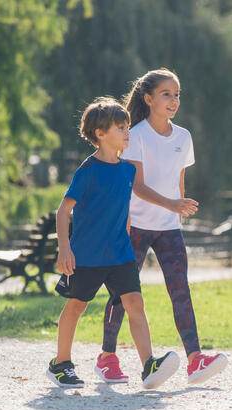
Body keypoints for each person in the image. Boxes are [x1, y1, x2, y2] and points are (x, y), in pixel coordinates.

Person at [97, 68, 228, 386]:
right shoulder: (136, 134)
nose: (173, 100)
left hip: (169, 228)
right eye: (166, 94)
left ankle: (195, 360)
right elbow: (137, 185)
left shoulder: (183, 137)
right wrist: (172, 204)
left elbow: (178, 178)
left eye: (177, 94)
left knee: (180, 291)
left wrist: (178, 207)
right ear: (148, 99)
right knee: (122, 294)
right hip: (136, 226)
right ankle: (107, 357)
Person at [46, 96, 182, 390]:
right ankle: (61, 364)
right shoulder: (88, 171)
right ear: (100, 134)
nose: (127, 133)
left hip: (120, 253)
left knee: (135, 303)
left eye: (127, 127)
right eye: (121, 128)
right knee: (76, 307)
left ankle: (149, 366)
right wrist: (65, 249)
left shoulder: (127, 170)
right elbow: (63, 210)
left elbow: (124, 209)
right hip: (87, 255)